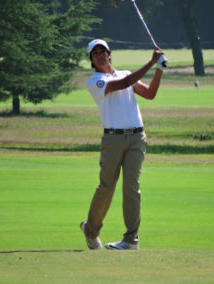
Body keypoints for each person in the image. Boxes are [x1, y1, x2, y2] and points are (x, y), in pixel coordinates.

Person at [80, 39, 165, 250]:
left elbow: (150, 94)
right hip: (113, 139)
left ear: (110, 54)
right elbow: (121, 85)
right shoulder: (95, 81)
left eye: (103, 51)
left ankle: (130, 240)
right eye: (95, 53)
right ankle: (91, 230)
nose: (100, 55)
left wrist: (159, 70)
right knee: (106, 187)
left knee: (132, 188)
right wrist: (150, 62)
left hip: (137, 136)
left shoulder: (124, 73)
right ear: (91, 59)